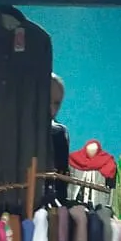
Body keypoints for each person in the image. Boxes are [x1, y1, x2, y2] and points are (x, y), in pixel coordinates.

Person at [47, 74, 70, 202]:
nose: (52, 110)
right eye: (48, 100)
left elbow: (61, 182)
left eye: (56, 104)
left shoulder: (59, 134)